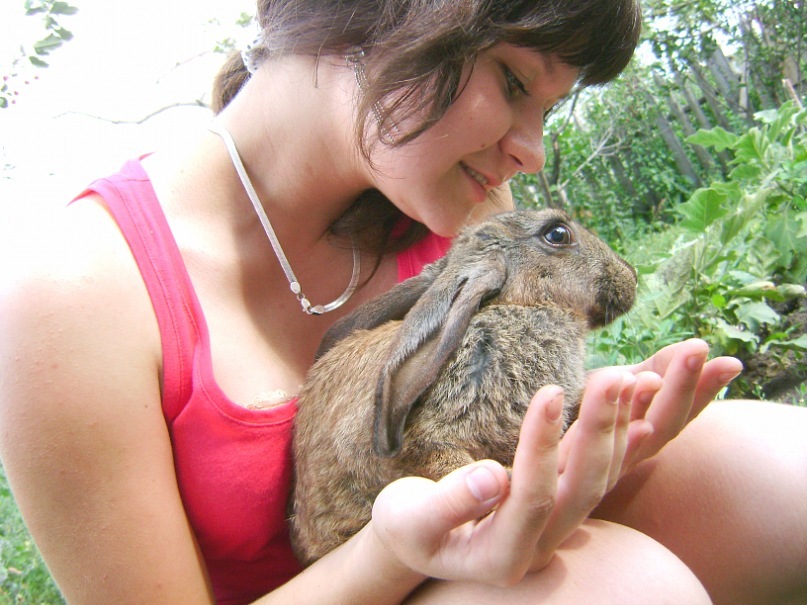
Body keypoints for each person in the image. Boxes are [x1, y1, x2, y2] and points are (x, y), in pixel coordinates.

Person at [0, 0, 805, 603]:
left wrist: (571, 431)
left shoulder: (460, 200)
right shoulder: (75, 299)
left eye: (547, 109)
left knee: (778, 475)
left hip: (479, 525)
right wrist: (389, 551)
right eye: (511, 81)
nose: (531, 149)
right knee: (625, 589)